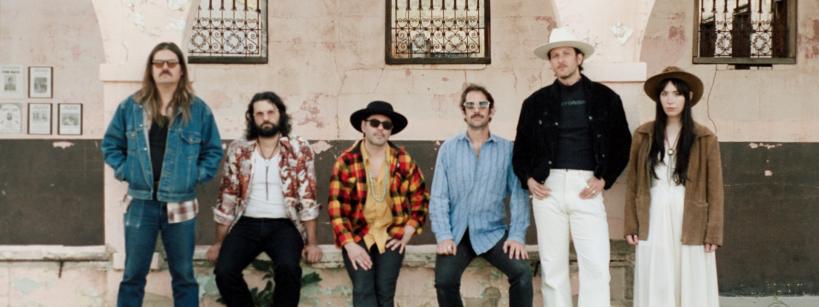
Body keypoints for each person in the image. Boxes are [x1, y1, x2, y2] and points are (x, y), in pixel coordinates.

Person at [512, 27, 632, 307]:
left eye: (566, 54)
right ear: (550, 62)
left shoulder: (606, 98)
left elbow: (622, 145)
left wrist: (605, 179)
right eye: (555, 55)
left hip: (587, 187)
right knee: (553, 269)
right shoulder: (535, 103)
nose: (560, 60)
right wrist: (528, 179)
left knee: (597, 267)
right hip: (548, 189)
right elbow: (521, 151)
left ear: (579, 58)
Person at [101, 42, 223, 307]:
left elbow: (213, 151)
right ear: (151, 70)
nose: (165, 68)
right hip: (141, 202)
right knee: (133, 274)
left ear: (181, 70)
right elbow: (110, 145)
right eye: (158, 63)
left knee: (183, 275)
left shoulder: (198, 110)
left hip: (181, 200)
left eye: (171, 63)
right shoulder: (130, 107)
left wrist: (193, 176)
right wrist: (127, 172)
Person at [209, 91, 322, 307]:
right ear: (251, 118)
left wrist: (312, 243)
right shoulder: (238, 149)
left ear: (281, 115)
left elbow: (307, 197)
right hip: (246, 224)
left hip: (284, 225)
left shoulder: (299, 148)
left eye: (271, 112)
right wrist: (218, 243)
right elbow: (227, 197)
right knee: (224, 271)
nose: (266, 118)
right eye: (259, 113)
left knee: (289, 268)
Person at [624, 66, 723, 307]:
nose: (670, 100)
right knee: (657, 276)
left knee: (691, 276)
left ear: (687, 98)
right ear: (658, 98)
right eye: (665, 94)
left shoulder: (704, 137)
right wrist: (631, 223)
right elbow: (633, 181)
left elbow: (715, 188)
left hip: (690, 214)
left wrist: (713, 232)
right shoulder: (644, 134)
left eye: (677, 94)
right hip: (653, 212)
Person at [431, 84, 533, 307]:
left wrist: (516, 235)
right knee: (444, 282)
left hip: (492, 232)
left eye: (482, 105)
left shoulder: (507, 149)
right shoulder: (448, 149)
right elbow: (439, 196)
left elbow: (518, 194)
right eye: (470, 105)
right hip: (457, 234)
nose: (476, 110)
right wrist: (443, 236)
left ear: (491, 111)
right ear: (464, 112)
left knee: (522, 273)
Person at [327, 100, 429, 307]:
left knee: (385, 292)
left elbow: (421, 198)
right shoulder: (346, 161)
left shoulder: (403, 160)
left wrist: (408, 232)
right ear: (363, 126)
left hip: (391, 234)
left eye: (386, 125)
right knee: (363, 291)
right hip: (358, 234)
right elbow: (336, 209)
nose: (380, 128)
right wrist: (350, 245)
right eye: (374, 123)